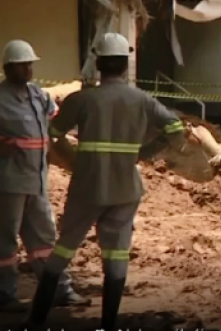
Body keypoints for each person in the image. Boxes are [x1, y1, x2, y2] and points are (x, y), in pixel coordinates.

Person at [24, 33, 186, 331]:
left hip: (88, 187)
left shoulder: (82, 100)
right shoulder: (142, 100)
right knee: (116, 254)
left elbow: (53, 133)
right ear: (126, 65)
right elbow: (176, 128)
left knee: (62, 251)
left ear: (98, 63)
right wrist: (144, 152)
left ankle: (36, 321)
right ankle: (108, 324)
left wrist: (72, 158)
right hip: (126, 189)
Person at [0, 40, 89, 314]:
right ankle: (4, 296)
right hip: (9, 182)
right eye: (23, 65)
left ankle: (59, 290)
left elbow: (55, 127)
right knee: (4, 241)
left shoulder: (38, 95)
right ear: (8, 68)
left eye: (30, 64)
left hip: (37, 181)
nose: (28, 69)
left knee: (45, 240)